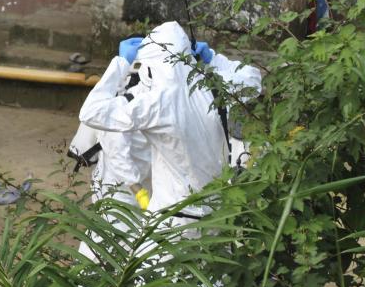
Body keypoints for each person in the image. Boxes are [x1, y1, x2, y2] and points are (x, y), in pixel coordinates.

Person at [76, 22, 262, 259]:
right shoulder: (215, 87)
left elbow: (91, 112)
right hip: (214, 214)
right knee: (210, 276)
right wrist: (213, 58)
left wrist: (119, 63)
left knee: (133, 272)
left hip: (171, 220)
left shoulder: (157, 102)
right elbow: (253, 78)